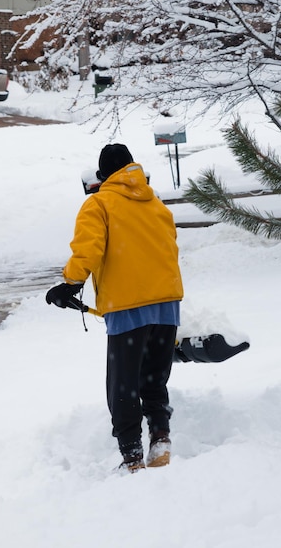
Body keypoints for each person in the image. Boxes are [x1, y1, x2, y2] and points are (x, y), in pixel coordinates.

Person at [46, 144, 184, 474]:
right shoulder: (155, 203)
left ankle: (133, 457)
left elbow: (88, 249)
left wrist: (69, 284)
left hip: (128, 307)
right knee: (153, 377)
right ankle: (161, 439)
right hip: (167, 304)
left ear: (103, 175)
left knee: (122, 384)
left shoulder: (98, 203)